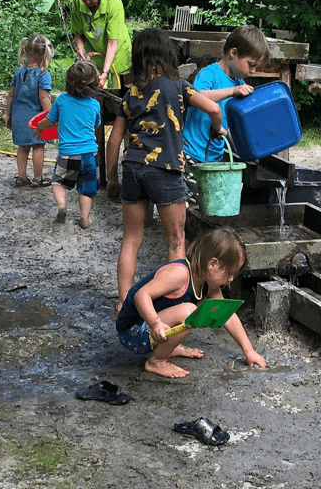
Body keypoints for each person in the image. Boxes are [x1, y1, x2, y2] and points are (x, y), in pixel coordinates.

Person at [106, 29, 225, 310]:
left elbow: (113, 140)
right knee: (175, 242)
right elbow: (214, 110)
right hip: (166, 170)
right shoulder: (180, 86)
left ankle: (124, 303)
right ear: (168, 55)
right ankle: (174, 306)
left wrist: (112, 178)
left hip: (134, 168)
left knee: (132, 239)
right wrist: (218, 129)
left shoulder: (130, 94)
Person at [116, 227, 266, 378]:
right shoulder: (179, 274)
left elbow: (226, 315)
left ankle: (168, 347)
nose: (231, 279)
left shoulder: (208, 280)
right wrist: (155, 323)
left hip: (153, 329)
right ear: (212, 264)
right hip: (133, 332)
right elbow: (141, 295)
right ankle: (157, 361)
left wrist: (249, 350)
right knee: (189, 313)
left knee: (190, 312)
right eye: (230, 273)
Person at [182, 25, 270, 201]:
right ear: (233, 53)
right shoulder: (209, 74)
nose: (253, 71)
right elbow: (196, 95)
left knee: (211, 202)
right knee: (193, 204)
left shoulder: (238, 81)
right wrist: (232, 91)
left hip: (216, 154)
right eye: (251, 65)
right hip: (193, 152)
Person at [33, 61, 102, 229]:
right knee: (86, 189)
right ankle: (85, 219)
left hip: (68, 153)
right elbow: (96, 125)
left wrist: (39, 128)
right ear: (94, 84)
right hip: (90, 154)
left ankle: (62, 206)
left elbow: (50, 121)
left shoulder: (62, 100)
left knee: (58, 183)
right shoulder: (95, 104)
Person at [69, 0, 132, 92]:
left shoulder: (113, 2)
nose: (87, 1)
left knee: (116, 97)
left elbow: (112, 42)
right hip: (94, 60)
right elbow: (78, 32)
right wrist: (80, 49)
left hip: (117, 58)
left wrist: (105, 72)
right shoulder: (75, 2)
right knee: (94, 97)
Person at [4, 34, 54, 188]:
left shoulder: (19, 72)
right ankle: (38, 178)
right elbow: (44, 98)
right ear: (43, 55)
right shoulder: (43, 74)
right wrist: (52, 117)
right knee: (38, 146)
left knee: (23, 147)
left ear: (25, 53)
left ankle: (21, 177)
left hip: (19, 117)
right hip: (35, 120)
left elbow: (11, 95)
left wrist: (7, 114)